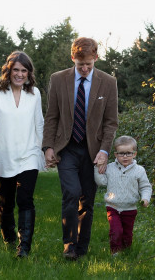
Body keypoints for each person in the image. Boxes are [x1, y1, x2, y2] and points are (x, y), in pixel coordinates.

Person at [42, 37, 119, 260]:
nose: (84, 69)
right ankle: (69, 245)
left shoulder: (108, 82)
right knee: (71, 194)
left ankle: (82, 247)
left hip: (92, 151)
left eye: (89, 65)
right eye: (79, 65)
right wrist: (48, 146)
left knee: (87, 199)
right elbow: (52, 116)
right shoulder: (58, 80)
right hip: (67, 148)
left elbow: (110, 122)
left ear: (96, 58)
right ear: (72, 58)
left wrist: (104, 150)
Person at [0, 51, 44, 258]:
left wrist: (43, 150)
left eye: (23, 70)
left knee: (25, 199)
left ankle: (24, 247)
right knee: (6, 201)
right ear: (8, 71)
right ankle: (8, 237)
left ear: (29, 73)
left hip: (29, 154)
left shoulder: (34, 93)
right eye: (15, 70)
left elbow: (39, 123)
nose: (19, 74)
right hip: (3, 154)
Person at [94, 135, 152, 255]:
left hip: (130, 208)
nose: (125, 156)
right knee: (116, 231)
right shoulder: (110, 168)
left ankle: (126, 252)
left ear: (134, 154)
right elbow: (101, 182)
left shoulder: (139, 170)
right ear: (115, 154)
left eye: (128, 153)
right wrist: (98, 168)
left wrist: (145, 198)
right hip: (113, 207)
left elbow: (145, 186)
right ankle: (115, 252)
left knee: (127, 233)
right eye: (121, 153)